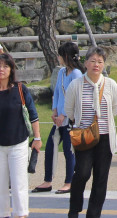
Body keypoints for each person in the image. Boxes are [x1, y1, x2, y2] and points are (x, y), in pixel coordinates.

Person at [0, 53, 42, 218]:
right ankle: (2, 214)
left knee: (18, 182)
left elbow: (33, 114)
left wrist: (37, 137)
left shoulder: (20, 89)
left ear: (11, 69)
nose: (1, 69)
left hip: (18, 142)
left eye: (5, 66)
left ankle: (21, 214)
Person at [64, 46, 117, 218]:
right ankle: (74, 209)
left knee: (101, 178)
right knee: (82, 173)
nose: (96, 65)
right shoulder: (76, 85)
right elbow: (69, 111)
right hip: (85, 136)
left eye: (100, 61)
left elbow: (115, 109)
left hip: (105, 137)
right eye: (93, 61)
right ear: (86, 63)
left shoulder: (110, 84)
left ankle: (94, 214)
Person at [34, 41, 83, 193]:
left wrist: (64, 114)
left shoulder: (76, 74)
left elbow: (73, 97)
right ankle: (47, 180)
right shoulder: (62, 72)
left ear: (66, 56)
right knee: (50, 148)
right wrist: (55, 110)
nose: (58, 57)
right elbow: (57, 92)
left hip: (70, 119)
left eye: (61, 55)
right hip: (59, 119)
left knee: (69, 151)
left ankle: (69, 182)